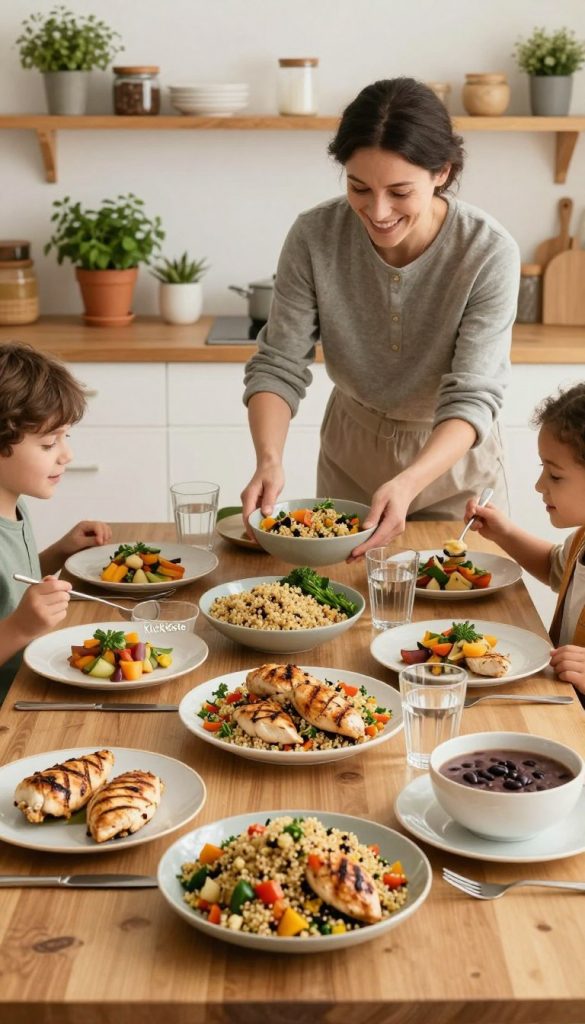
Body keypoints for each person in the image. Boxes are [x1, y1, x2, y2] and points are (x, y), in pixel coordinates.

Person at [241, 76, 520, 557]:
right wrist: (269, 460)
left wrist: (409, 481)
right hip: (350, 455)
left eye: (399, 191)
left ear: (441, 173)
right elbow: (279, 363)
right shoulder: (315, 236)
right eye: (359, 187)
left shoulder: (487, 251)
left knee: (454, 621)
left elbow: (473, 394)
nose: (378, 210)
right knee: (337, 606)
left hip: (450, 466)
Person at [0, 342, 112, 701]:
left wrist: (60, 553)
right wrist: (19, 628)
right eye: (49, 444)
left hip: (30, 686)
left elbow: (11, 587)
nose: (67, 454)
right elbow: (13, 615)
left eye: (66, 437)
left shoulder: (13, 505)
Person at [465, 383, 585, 696]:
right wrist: (505, 533)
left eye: (555, 475)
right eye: (542, 468)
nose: (539, 485)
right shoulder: (582, 540)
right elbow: (556, 567)